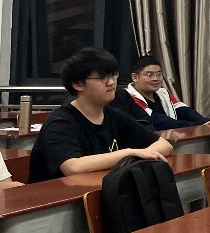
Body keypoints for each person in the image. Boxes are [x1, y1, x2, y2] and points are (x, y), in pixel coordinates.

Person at [29, 47, 173, 183]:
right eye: (102, 78)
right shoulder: (59, 123)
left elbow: (164, 145)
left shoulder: (115, 116)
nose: (111, 83)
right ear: (78, 84)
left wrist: (141, 155)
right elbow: (73, 167)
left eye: (113, 76)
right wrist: (130, 154)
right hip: (57, 197)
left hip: (104, 189)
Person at [113, 54, 210, 132]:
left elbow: (182, 109)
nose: (156, 78)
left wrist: (205, 121)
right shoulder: (128, 96)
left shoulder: (163, 92)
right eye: (150, 75)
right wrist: (198, 125)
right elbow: (159, 121)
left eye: (159, 74)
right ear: (135, 77)